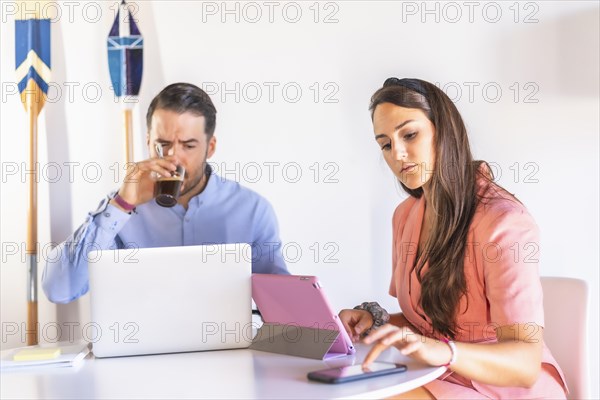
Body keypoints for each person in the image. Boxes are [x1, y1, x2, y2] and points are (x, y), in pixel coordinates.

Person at [339, 78, 568, 399]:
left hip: (505, 387)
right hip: (442, 375)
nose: (398, 154)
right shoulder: (405, 215)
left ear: (444, 131)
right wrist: (376, 323)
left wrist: (446, 352)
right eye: (386, 144)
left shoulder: (505, 223)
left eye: (409, 134)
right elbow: (428, 323)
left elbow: (525, 364)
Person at [43, 83, 289, 304]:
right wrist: (120, 206)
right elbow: (59, 289)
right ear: (148, 141)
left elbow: (282, 304)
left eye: (189, 146)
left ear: (210, 147)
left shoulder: (252, 210)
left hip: (227, 349)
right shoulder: (121, 209)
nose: (174, 158)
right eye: (163, 145)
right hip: (140, 351)